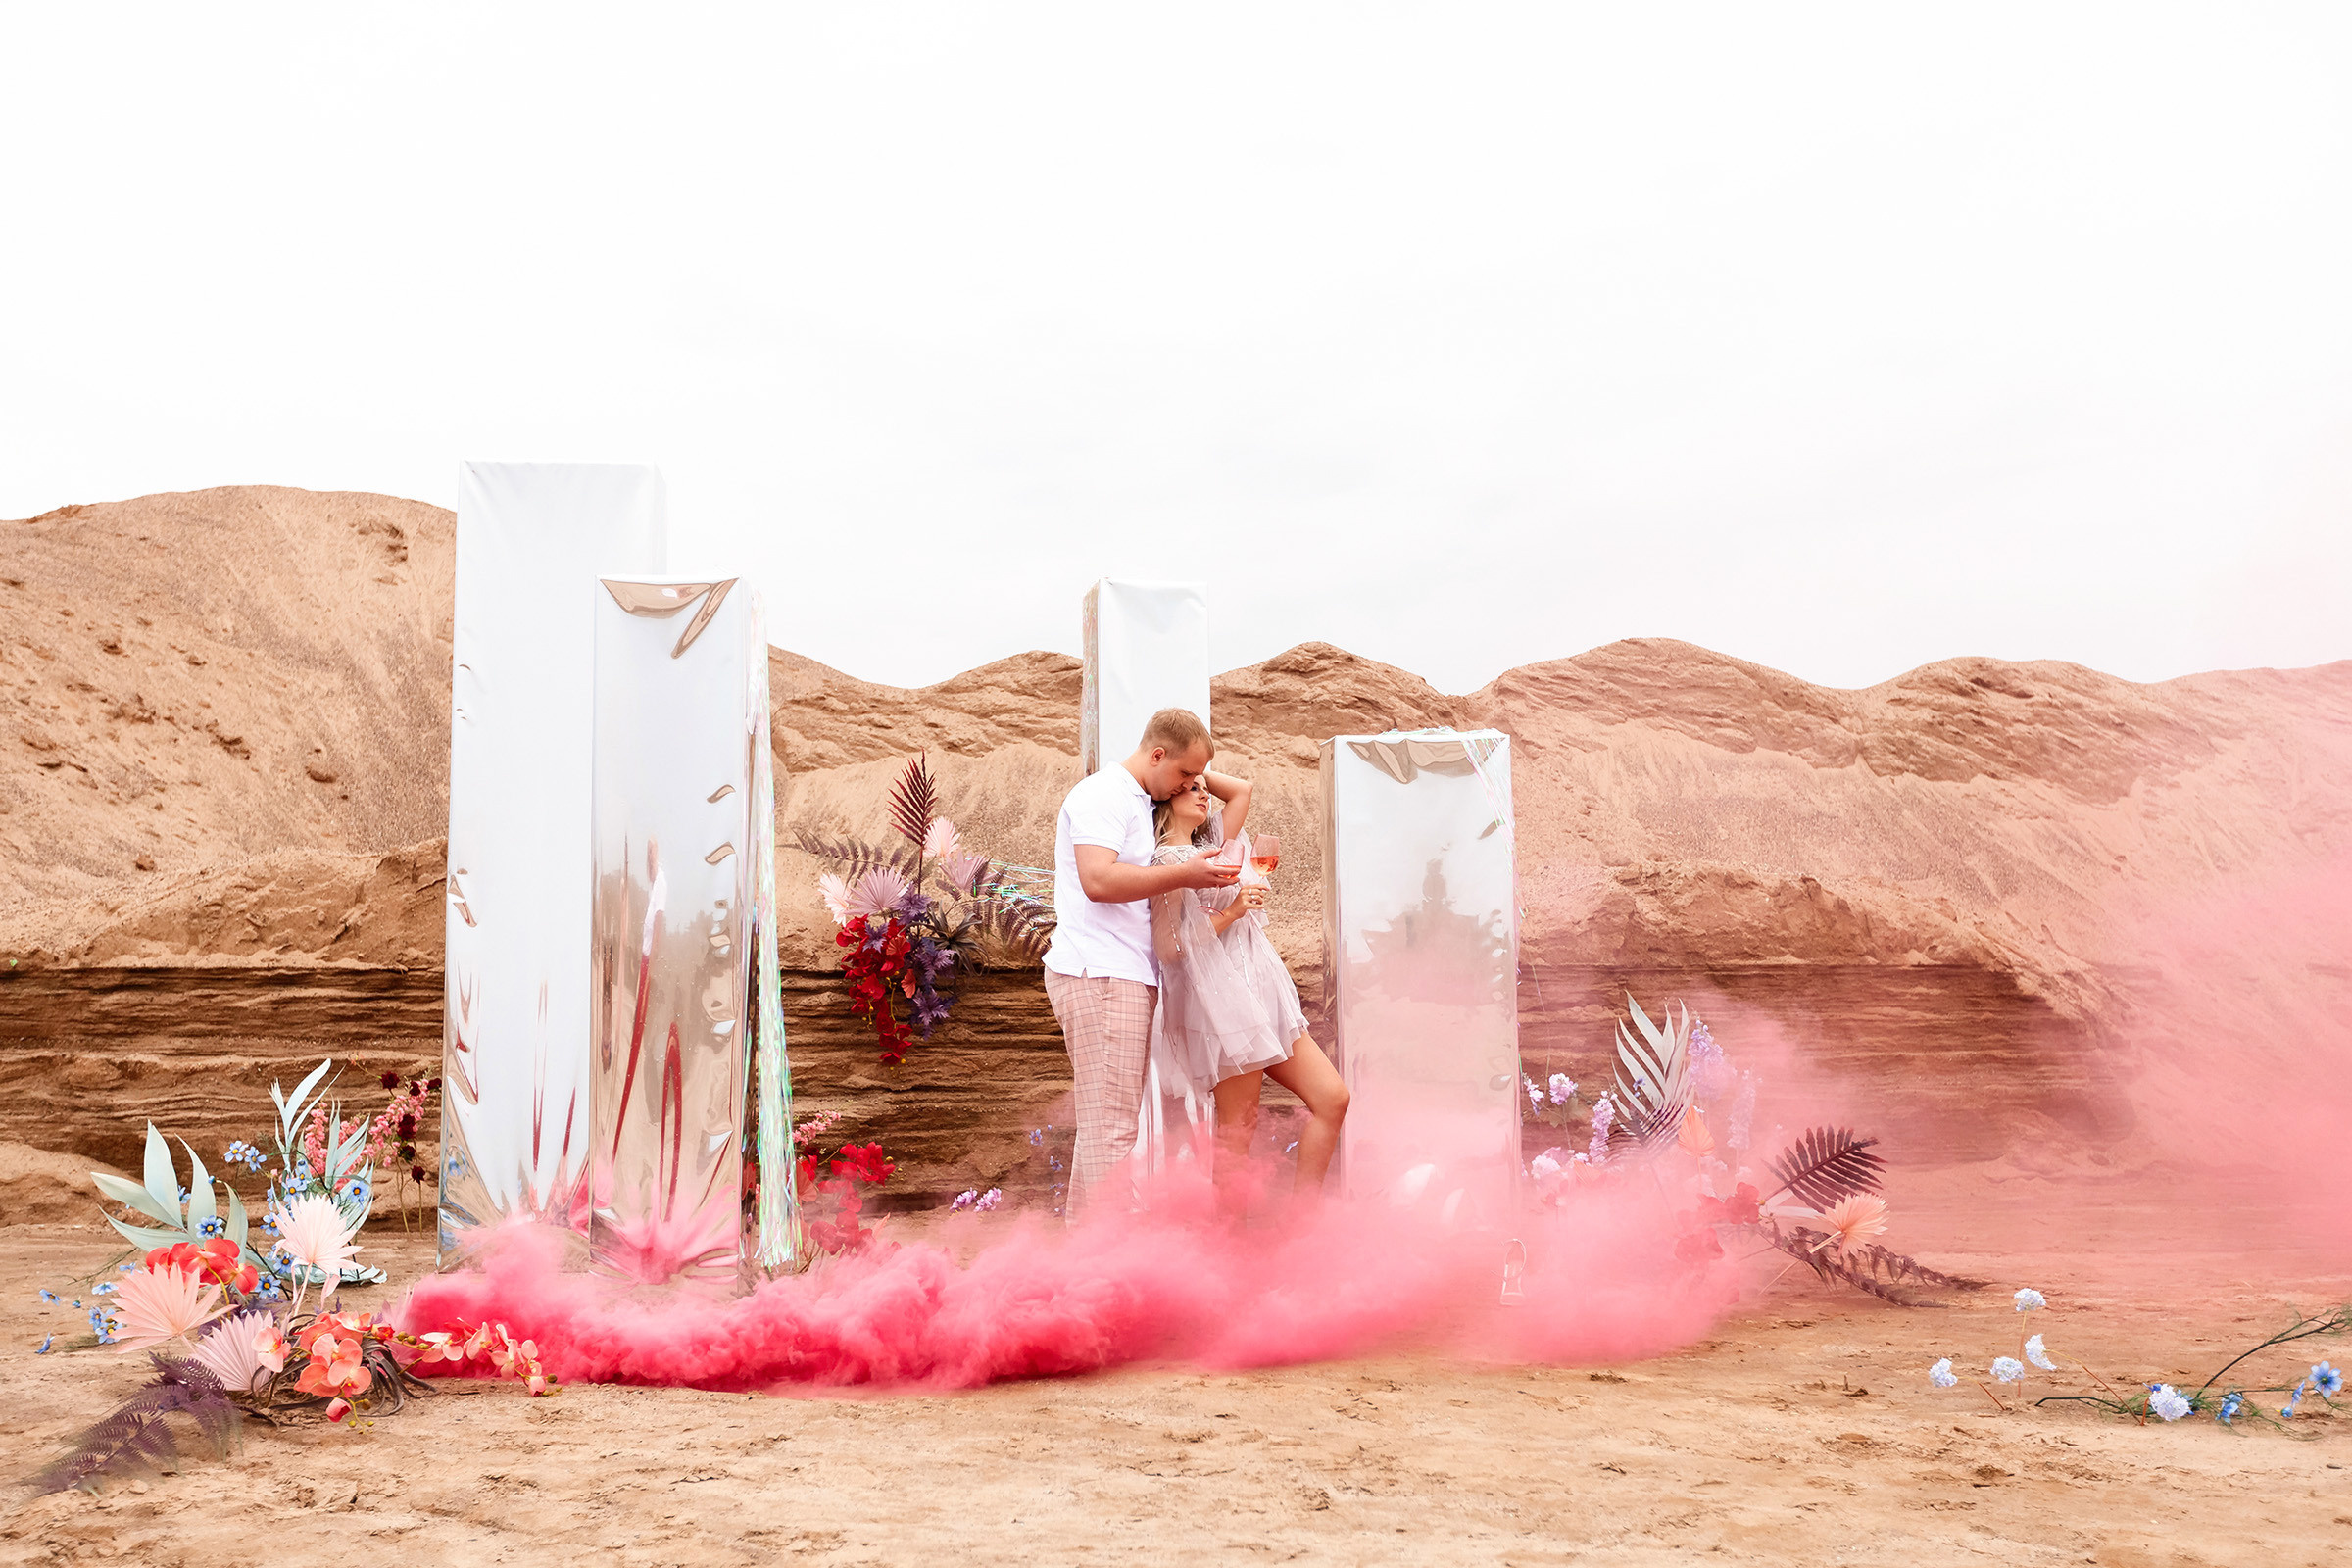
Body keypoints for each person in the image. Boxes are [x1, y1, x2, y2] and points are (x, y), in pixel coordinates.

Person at [1041, 708, 1238, 1214]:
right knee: (1113, 1131)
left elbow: (1225, 787)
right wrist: (1185, 875)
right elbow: (1099, 880)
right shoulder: (1103, 795)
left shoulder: (1134, 798)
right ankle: (1107, 1270)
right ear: (1155, 755)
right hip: (1102, 974)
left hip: (1116, 974)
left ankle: (1088, 1268)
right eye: (1184, 775)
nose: (1190, 787)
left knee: (1102, 1127)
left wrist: (1194, 767)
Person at [1147, 771, 1349, 1213]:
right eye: (1191, 788)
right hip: (1225, 1005)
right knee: (1239, 1131)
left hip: (1263, 994)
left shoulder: (1212, 845)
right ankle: (1230, 1254)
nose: (1203, 794)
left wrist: (1194, 768)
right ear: (1167, 796)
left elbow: (1242, 789)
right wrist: (1234, 911)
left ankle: (1302, 1226)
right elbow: (1170, 947)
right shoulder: (1168, 862)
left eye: (1203, 787)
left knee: (1333, 1098)